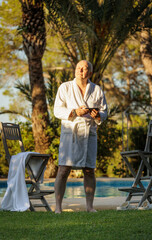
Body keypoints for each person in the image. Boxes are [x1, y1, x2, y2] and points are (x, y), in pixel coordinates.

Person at [54, 60, 107, 213]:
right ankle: (58, 207)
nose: (81, 71)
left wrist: (98, 116)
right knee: (63, 169)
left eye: (84, 69)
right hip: (71, 133)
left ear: (90, 73)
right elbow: (57, 110)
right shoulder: (65, 87)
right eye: (78, 68)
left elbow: (104, 111)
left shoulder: (96, 89)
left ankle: (89, 207)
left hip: (88, 133)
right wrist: (74, 112)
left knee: (89, 169)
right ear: (75, 70)